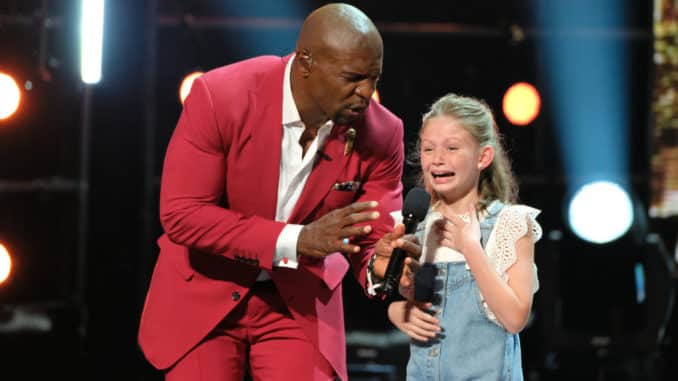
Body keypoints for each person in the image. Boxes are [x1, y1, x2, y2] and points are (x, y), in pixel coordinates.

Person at [137, 3, 410, 381]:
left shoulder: (383, 133)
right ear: (306, 62)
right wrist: (298, 240)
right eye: (353, 77)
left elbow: (372, 236)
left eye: (374, 78)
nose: (366, 93)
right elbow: (183, 214)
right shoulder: (221, 96)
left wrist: (383, 266)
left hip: (298, 302)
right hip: (207, 289)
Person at [387, 93, 543, 380]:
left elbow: (515, 318)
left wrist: (471, 248)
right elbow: (414, 298)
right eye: (428, 149)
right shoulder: (416, 223)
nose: (437, 160)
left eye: (452, 148)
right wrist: (399, 310)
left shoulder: (509, 224)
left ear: (483, 157)